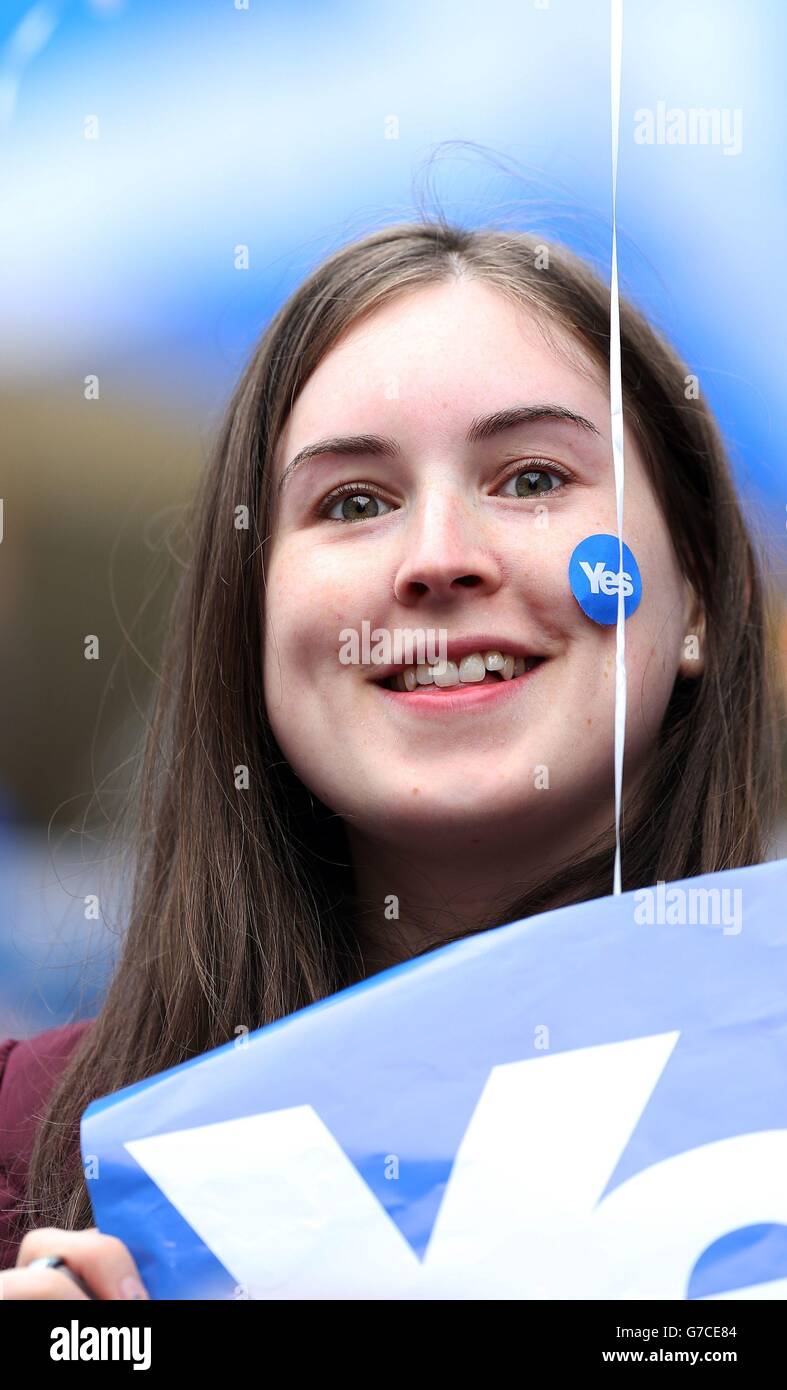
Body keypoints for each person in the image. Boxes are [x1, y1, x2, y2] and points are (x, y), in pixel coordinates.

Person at [1, 220, 781, 1298]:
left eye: (531, 478)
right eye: (353, 502)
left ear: (693, 594)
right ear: (252, 622)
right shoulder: (30, 1163)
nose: (439, 559)